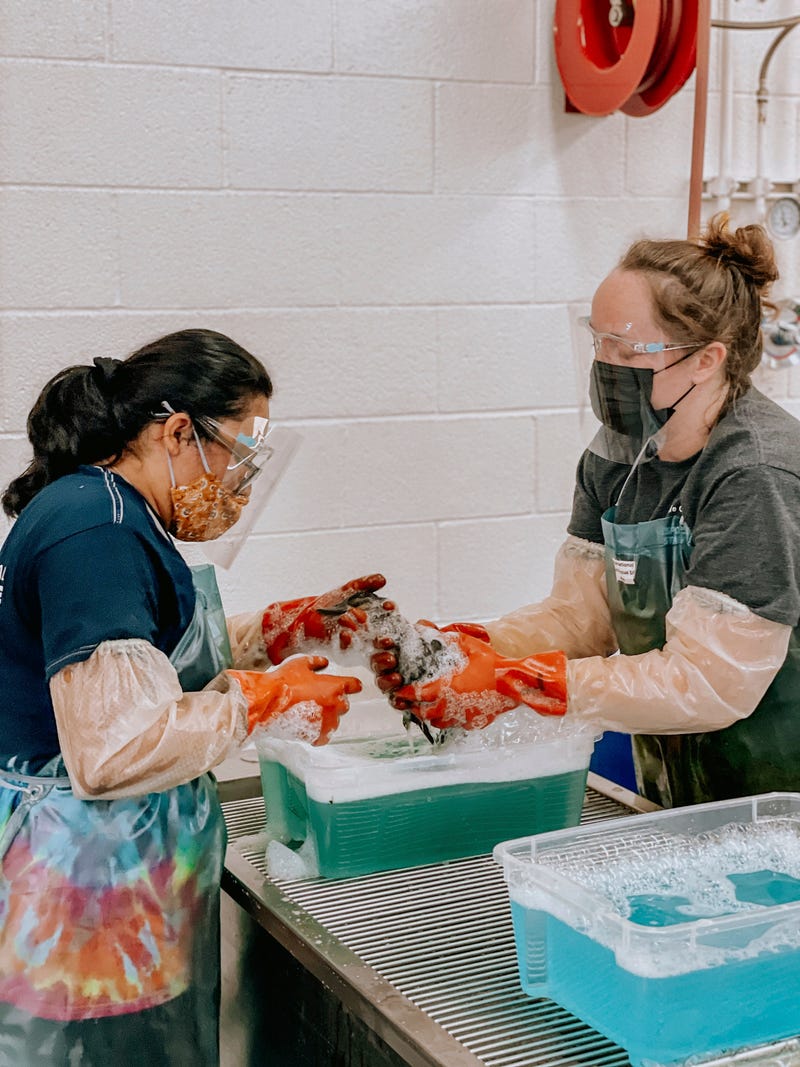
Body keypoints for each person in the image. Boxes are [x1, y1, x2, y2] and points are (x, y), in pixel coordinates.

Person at [0, 328, 391, 1066]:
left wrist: (278, 629)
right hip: (85, 885)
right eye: (240, 457)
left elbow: (147, 659)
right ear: (178, 430)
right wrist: (263, 697)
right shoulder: (98, 531)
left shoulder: (107, 509)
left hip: (97, 878)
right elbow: (112, 750)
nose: (241, 488)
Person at [373, 214, 800, 809]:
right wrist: (473, 651)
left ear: (706, 360)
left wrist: (520, 685)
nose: (605, 364)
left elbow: (711, 682)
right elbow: (584, 617)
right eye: (597, 341)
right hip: (677, 778)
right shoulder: (619, 454)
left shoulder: (755, 474)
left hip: (777, 784)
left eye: (627, 348)